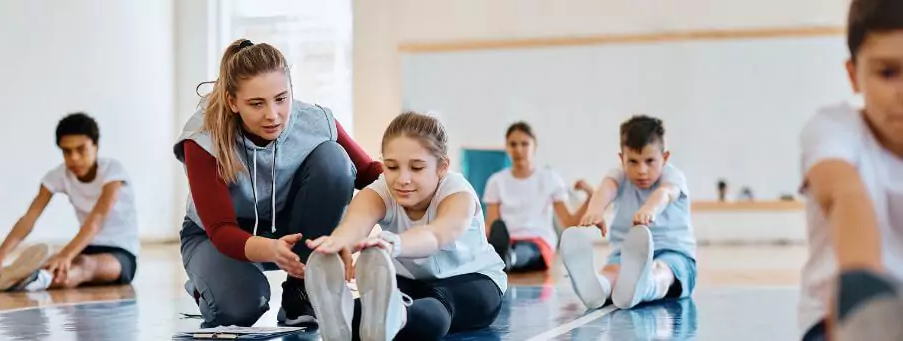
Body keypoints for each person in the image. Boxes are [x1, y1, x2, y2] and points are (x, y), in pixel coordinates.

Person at [174, 39, 383, 328]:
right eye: (256, 103)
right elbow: (221, 230)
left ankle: (300, 289)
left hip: (289, 232)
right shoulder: (202, 138)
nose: (272, 115)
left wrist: (434, 186)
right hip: (216, 238)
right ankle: (207, 286)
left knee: (334, 159)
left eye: (281, 99)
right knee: (241, 308)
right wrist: (270, 248)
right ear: (232, 101)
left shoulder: (315, 120)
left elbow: (372, 173)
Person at [304, 112, 506, 341]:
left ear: (442, 167)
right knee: (364, 312)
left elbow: (437, 235)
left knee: (438, 309)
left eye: (417, 168)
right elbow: (356, 223)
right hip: (409, 281)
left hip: (472, 280)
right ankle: (342, 312)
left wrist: (395, 244)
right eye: (392, 167)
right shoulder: (381, 191)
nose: (402, 179)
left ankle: (398, 316)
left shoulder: (457, 193)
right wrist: (339, 241)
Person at [796, 0, 903, 340]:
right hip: (838, 323)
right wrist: (862, 287)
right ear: (854, 75)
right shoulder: (834, 128)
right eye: (888, 72)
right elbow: (844, 194)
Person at [0, 113, 139, 292]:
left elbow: (97, 220)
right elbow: (29, 218)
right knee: (49, 263)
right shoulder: (58, 175)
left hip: (121, 254)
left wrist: (66, 255)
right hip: (85, 247)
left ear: (96, 146)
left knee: (80, 266)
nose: (74, 158)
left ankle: (30, 281)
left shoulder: (113, 171)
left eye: (81, 149)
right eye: (66, 152)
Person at [562, 115, 697, 310]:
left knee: (662, 271)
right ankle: (597, 288)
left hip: (673, 253)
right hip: (627, 253)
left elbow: (665, 193)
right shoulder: (619, 174)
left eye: (650, 161)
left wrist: (649, 208)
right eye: (633, 162)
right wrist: (596, 210)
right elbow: (606, 188)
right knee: (613, 270)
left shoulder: (672, 176)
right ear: (621, 159)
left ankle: (645, 286)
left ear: (665, 158)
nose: (642, 170)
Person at [483, 121, 594, 272]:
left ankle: (507, 259)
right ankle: (503, 257)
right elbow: (492, 225)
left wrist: (590, 197)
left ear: (535, 146)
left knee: (526, 250)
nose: (518, 149)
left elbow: (569, 222)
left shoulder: (550, 178)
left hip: (538, 241)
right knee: (499, 247)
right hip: (507, 239)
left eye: (524, 144)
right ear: (507, 147)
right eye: (513, 144)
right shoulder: (496, 181)